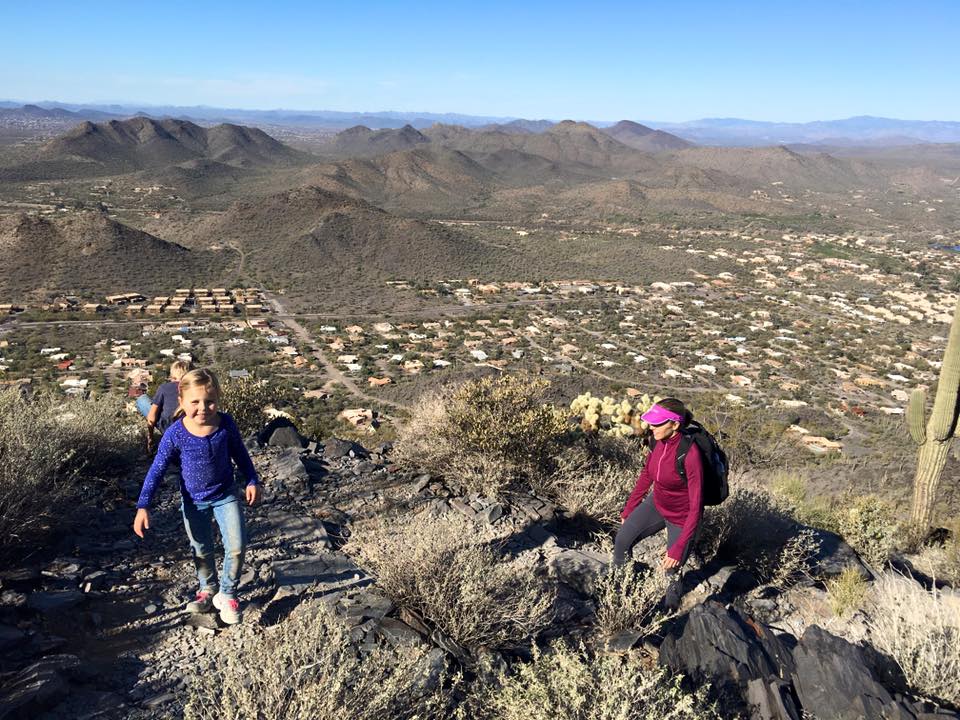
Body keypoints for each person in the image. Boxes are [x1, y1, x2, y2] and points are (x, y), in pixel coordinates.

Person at [132, 368, 261, 625]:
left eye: (210, 401)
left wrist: (252, 479)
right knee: (201, 549)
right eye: (195, 402)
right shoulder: (175, 433)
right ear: (181, 401)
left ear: (218, 400)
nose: (203, 408)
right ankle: (207, 589)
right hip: (194, 501)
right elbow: (157, 469)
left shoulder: (226, 424)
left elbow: (240, 453)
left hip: (225, 495)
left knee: (236, 546)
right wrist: (143, 505)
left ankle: (227, 593)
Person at [613, 398, 704, 604]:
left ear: (675, 424)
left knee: (671, 568)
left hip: (682, 516)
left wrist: (677, 549)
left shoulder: (690, 455)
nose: (651, 426)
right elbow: (646, 476)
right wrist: (629, 509)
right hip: (656, 504)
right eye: (651, 422)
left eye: (658, 423)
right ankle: (617, 593)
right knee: (621, 541)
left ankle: (670, 614)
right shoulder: (656, 440)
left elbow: (696, 506)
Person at [138, 360, 192, 453]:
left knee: (142, 400)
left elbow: (152, 415)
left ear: (172, 375)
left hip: (167, 426)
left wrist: (150, 437)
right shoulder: (194, 388)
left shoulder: (164, 387)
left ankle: (165, 439)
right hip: (189, 428)